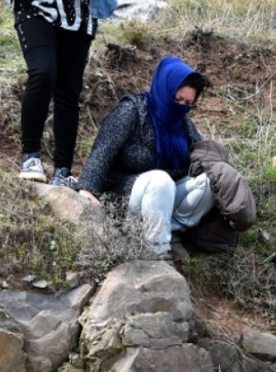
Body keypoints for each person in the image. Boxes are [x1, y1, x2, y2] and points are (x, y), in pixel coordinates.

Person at [0, 0, 126, 185]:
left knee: (69, 89)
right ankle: (30, 157)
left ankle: (63, 171)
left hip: (80, 5)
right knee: (43, 71)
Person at [76, 56, 215, 258]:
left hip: (165, 198)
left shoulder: (183, 124)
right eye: (177, 99)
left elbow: (199, 155)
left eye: (187, 103)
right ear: (165, 89)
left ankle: (172, 232)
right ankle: (156, 251)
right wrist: (87, 188)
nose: (180, 106)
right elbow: (103, 150)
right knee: (159, 180)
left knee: (212, 182)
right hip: (125, 194)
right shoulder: (133, 111)